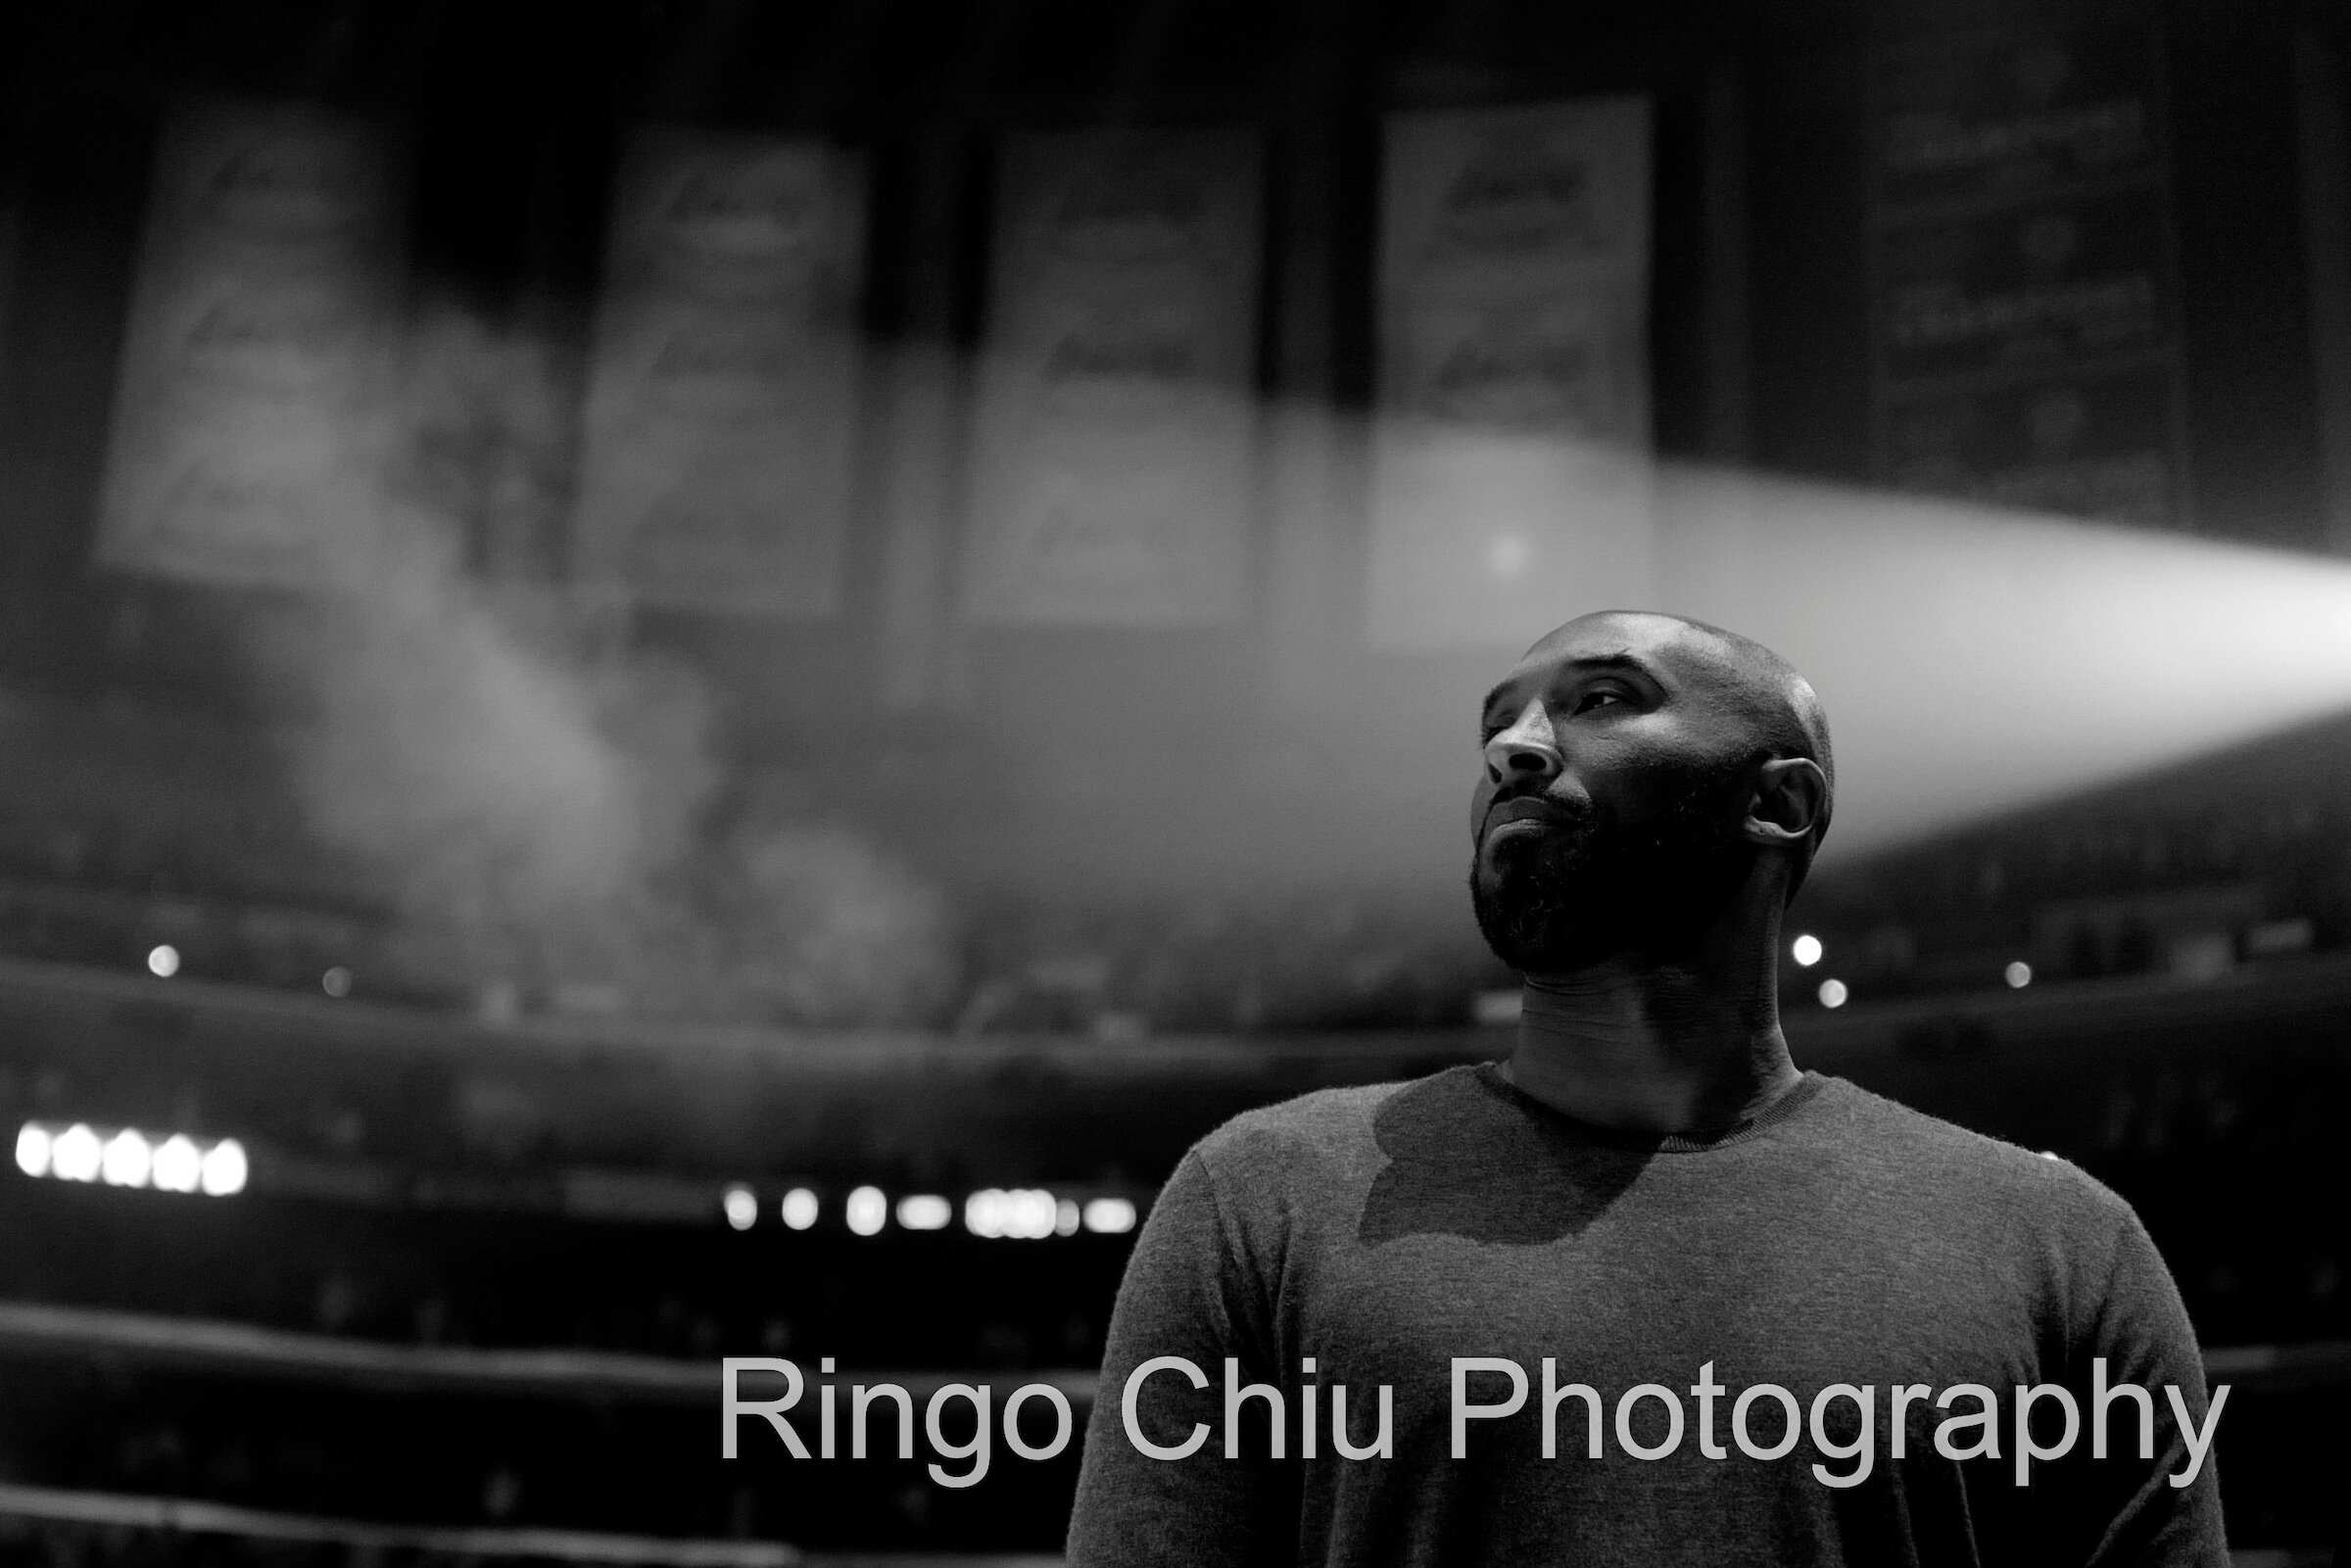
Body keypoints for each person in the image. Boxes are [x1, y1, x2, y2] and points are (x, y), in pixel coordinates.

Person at [1065, 611, 2226, 1566]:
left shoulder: (2060, 1248)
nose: (1513, 747)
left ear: (1778, 802)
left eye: (1603, 699)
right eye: (1498, 723)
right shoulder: (1258, 1198)